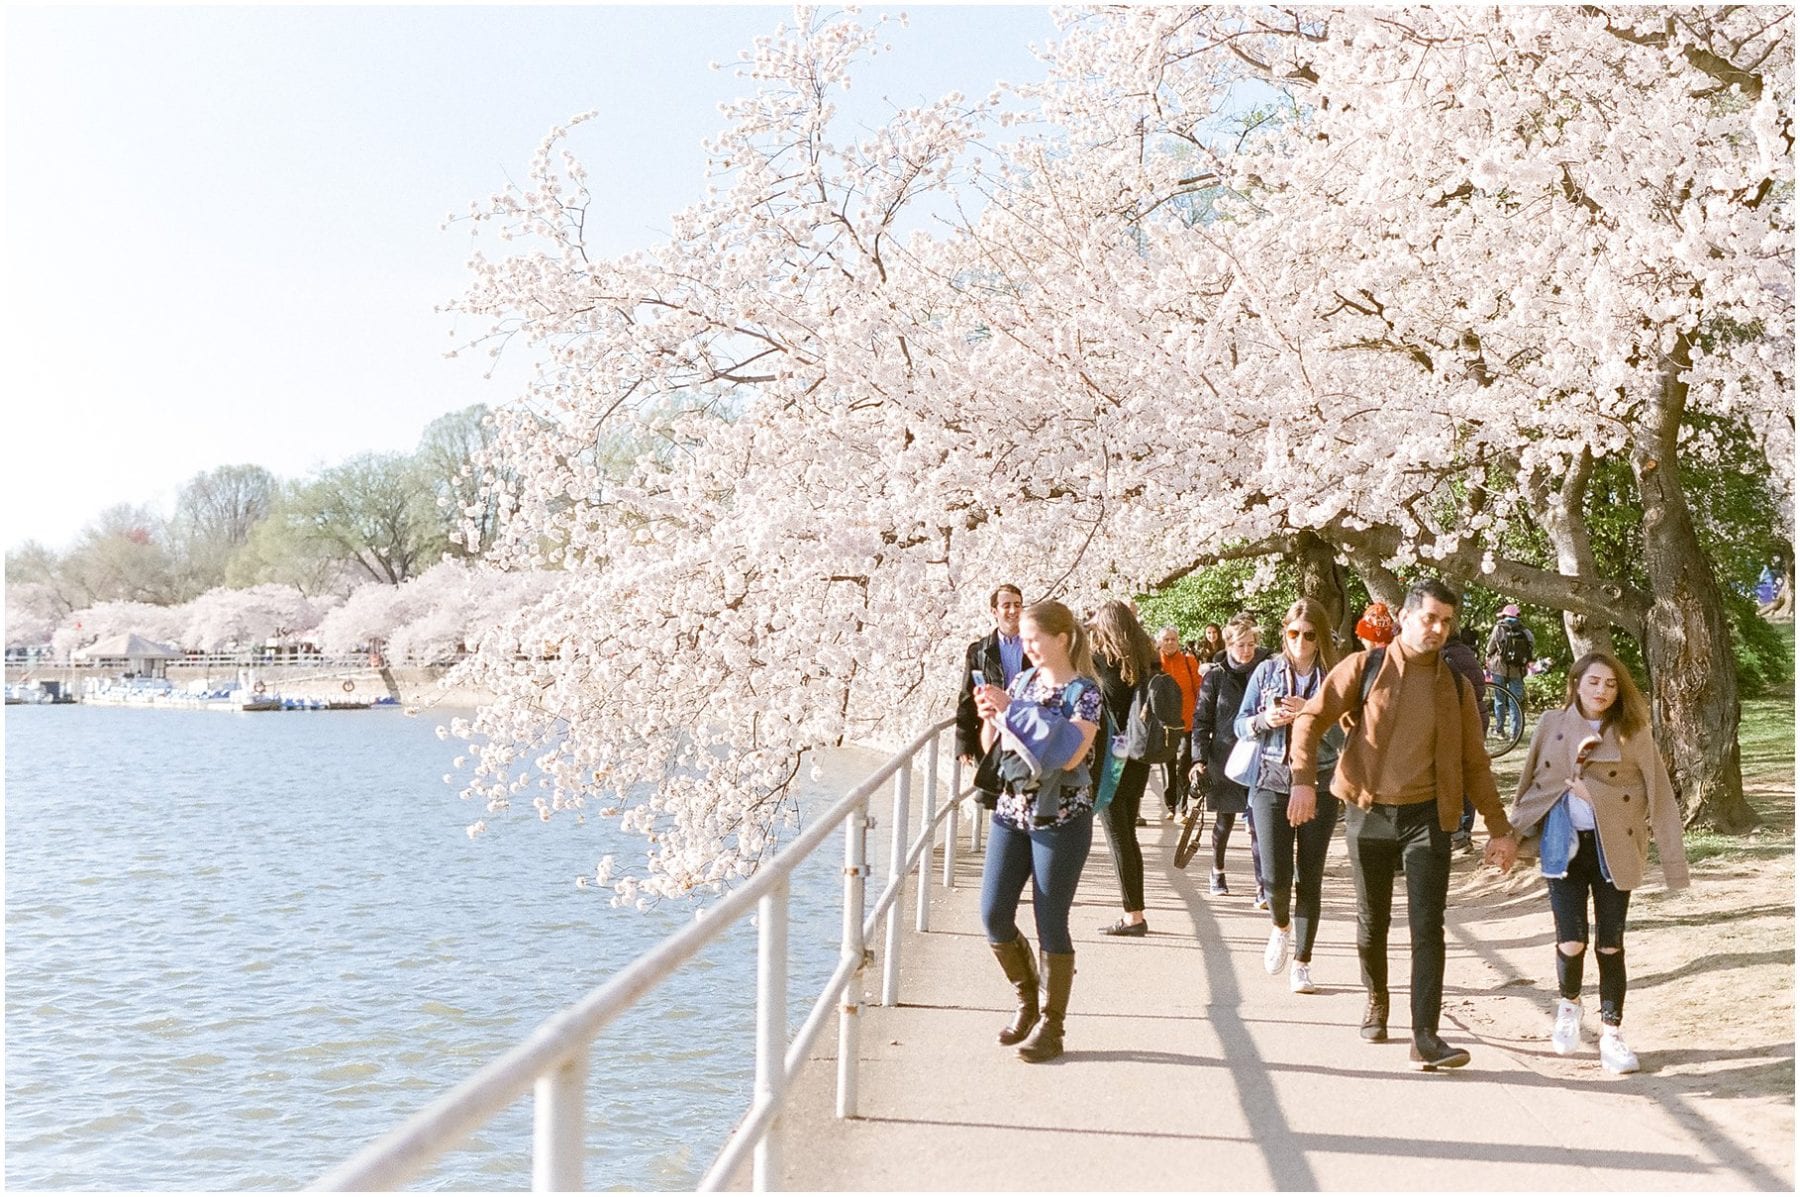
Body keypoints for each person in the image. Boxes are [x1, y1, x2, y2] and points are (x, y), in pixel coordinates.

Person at [1287, 578, 1520, 1070]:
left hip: (1428, 818)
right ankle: (1376, 1002)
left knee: (1427, 926)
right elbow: (1310, 719)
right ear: (1407, 617)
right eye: (1429, 617)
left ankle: (1426, 1036)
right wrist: (1304, 779)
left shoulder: (1455, 686)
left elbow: (1476, 762)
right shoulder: (1365, 667)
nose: (1438, 628)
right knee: (1373, 922)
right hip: (1368, 812)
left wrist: (1499, 830)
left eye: (1446, 621)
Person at [1507, 652, 1689, 1073]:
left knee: (1611, 943)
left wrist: (1598, 796)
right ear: (1576, 682)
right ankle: (1569, 1006)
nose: (1602, 691)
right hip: (1562, 845)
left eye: (1610, 684)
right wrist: (1510, 837)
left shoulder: (1634, 730)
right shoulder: (1551, 724)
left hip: (1616, 847)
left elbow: (1656, 796)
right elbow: (1531, 784)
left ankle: (1612, 1033)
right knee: (1571, 941)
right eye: (1593, 682)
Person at [975, 599, 1102, 1063]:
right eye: (1023, 640)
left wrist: (1015, 712)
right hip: (1012, 810)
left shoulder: (1085, 692)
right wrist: (992, 719)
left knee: (1051, 920)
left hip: (1061, 817)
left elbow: (1068, 754)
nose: (1026, 648)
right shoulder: (1023, 682)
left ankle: (1052, 1024)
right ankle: (1027, 999)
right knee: (993, 914)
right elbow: (999, 749)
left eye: (1035, 640)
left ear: (1062, 638)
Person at [1234, 598, 1344, 995]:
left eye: (1309, 635)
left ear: (1320, 638)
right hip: (1270, 778)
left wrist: (1311, 714)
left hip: (1320, 781)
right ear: (1284, 633)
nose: (1300, 641)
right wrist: (1266, 719)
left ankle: (1303, 961)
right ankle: (1280, 926)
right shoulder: (1266, 672)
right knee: (1275, 876)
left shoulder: (1332, 677)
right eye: (1293, 633)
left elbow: (1347, 735)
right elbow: (1240, 724)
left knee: (1309, 875)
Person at [1088, 601, 1159, 936]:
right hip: (1139, 754)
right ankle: (1136, 910)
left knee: (1118, 836)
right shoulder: (1148, 660)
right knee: (1128, 835)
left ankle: (1133, 915)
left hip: (1111, 758)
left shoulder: (1101, 663)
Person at [1189, 613, 1270, 903]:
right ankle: (1217, 870)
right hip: (1224, 757)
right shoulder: (1216, 676)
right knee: (1224, 821)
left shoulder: (1267, 670)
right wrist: (1198, 760)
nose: (1246, 650)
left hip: (1261, 755)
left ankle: (1263, 885)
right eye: (1240, 645)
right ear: (1229, 644)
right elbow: (1201, 721)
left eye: (1250, 644)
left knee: (1259, 822)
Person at [956, 585, 1026, 806]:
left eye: (1017, 605)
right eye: (1006, 606)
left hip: (1028, 726)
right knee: (998, 798)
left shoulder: (1034, 644)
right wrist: (963, 742)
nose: (1013, 611)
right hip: (993, 731)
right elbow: (967, 696)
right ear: (994, 611)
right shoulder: (979, 651)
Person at [1443, 625, 1491, 853]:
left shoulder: (1446, 657)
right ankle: (1465, 832)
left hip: (1460, 722)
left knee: (1455, 776)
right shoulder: (1465, 652)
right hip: (1478, 717)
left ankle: (1459, 833)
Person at [1155, 625, 1204, 820]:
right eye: (1166, 639)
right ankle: (1170, 806)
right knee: (1168, 765)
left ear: (1178, 641)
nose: (1169, 643)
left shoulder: (1188, 661)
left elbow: (1199, 688)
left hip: (1186, 721)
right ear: (1160, 642)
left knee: (1183, 763)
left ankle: (1181, 806)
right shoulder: (1155, 663)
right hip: (1163, 723)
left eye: (1173, 639)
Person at [1485, 604, 1535, 743]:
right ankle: (1515, 734)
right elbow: (1531, 647)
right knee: (1515, 702)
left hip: (1499, 669)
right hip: (1517, 671)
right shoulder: (1525, 631)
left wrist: (1488, 657)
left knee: (1500, 700)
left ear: (1504, 615)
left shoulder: (1499, 628)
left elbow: (1491, 647)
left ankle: (1500, 731)